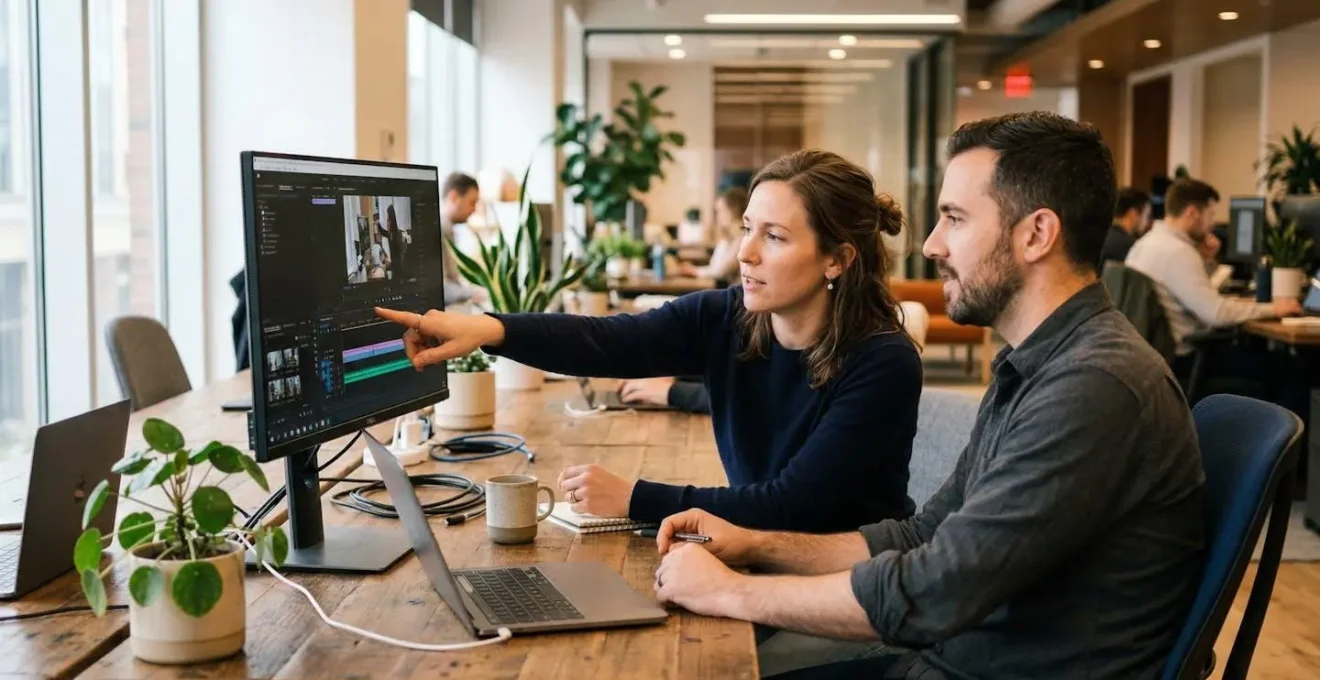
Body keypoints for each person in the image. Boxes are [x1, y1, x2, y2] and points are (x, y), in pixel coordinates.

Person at [648, 112, 1206, 679]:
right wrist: (754, 544)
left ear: (1036, 234)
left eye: (955, 220)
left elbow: (933, 593)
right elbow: (921, 535)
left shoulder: (1094, 387)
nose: (933, 245)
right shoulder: (1034, 364)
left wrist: (730, 594)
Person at [376, 150, 923, 533]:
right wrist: (488, 330)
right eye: (747, 228)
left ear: (838, 259)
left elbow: (792, 506)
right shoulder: (728, 316)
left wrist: (634, 498)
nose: (746, 253)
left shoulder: (883, 361)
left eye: (774, 237)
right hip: (753, 554)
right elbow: (609, 341)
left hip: (843, 589)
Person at [1125, 178, 1301, 370]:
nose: (1212, 224)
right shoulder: (1177, 252)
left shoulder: (1146, 243)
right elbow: (1216, 313)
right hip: (1189, 359)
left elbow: (1197, 295)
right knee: (1287, 369)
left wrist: (1206, 260)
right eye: (1210, 215)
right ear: (1192, 213)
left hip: (1158, 358)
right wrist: (1274, 309)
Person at [678, 186, 750, 282]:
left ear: (733, 210)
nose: (717, 216)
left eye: (720, 210)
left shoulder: (743, 237)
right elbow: (715, 266)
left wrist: (695, 271)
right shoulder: (732, 237)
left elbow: (721, 271)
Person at [440, 172, 484, 306]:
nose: (474, 210)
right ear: (454, 197)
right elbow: (441, 287)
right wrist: (476, 293)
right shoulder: (438, 231)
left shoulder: (449, 231)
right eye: (472, 203)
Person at [1099, 187, 1151, 265]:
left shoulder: (1099, 237)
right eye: (1147, 216)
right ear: (1133, 214)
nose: (1147, 223)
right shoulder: (1132, 247)